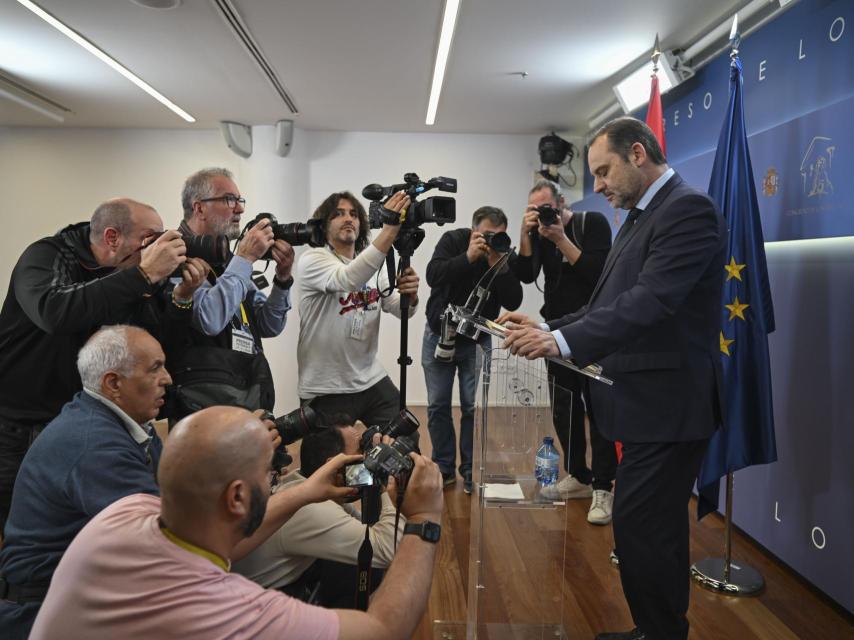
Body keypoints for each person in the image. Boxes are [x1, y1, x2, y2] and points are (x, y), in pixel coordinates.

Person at [501, 116, 727, 640]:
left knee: (642, 527)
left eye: (604, 172)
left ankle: (659, 631)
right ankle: (656, 629)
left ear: (638, 154)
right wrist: (547, 327)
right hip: (646, 405)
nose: (598, 185)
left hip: (670, 406)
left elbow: (650, 302)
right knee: (649, 529)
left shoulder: (687, 209)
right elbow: (607, 303)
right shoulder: (641, 215)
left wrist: (560, 343)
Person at [29, 405, 444, 640]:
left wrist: (303, 491)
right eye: (269, 471)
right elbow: (382, 630)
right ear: (238, 497)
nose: (278, 477)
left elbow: (234, 543)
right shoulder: (232, 610)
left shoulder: (123, 513)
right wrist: (424, 518)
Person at [0, 198, 193, 530]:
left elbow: (150, 343)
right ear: (112, 237)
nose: (157, 247)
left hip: (80, 422)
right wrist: (143, 275)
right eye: (149, 238)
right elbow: (54, 312)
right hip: (17, 425)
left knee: (81, 528)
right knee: (22, 527)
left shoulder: (131, 276)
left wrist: (181, 298)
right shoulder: (46, 256)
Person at [0, 326, 175, 638]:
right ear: (113, 383)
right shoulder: (95, 444)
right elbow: (167, 542)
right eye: (155, 368)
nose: (168, 379)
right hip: (43, 616)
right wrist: (275, 500)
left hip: (78, 603)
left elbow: (174, 498)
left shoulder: (125, 426)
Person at [514, 180, 616, 523]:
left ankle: (603, 486)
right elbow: (526, 275)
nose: (543, 214)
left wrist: (560, 238)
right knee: (563, 407)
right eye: (535, 209)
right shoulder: (539, 234)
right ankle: (579, 475)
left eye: (547, 208)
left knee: (598, 410)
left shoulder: (592, 224)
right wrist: (525, 234)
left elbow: (599, 275)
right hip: (555, 332)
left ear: (561, 202)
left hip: (593, 330)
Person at [167, 167, 295, 421]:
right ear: (199, 208)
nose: (240, 209)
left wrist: (283, 279)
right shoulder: (175, 255)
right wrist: (245, 258)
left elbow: (269, 324)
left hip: (245, 395)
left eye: (239, 200)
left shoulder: (227, 259)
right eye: (229, 200)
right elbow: (210, 319)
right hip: (203, 409)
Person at [233, 418, 403, 607]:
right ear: (335, 466)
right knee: (369, 569)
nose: (368, 459)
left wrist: (376, 484)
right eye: (361, 451)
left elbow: (365, 529)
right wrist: (387, 482)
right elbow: (390, 549)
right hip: (257, 601)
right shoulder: (312, 510)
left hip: (282, 575)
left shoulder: (302, 480)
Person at [422, 206, 523, 493]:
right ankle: (444, 467)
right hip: (440, 334)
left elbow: (514, 300)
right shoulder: (454, 240)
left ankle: (469, 469)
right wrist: (468, 257)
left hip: (477, 341)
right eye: (488, 234)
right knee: (438, 405)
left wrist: (499, 265)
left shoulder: (502, 255)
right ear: (473, 230)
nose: (493, 240)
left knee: (472, 407)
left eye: (499, 235)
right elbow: (433, 275)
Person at [297, 191, 419, 425]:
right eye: (338, 214)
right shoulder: (313, 259)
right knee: (331, 448)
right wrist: (390, 230)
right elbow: (348, 279)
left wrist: (410, 297)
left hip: (369, 377)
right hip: (326, 386)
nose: (348, 219)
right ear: (324, 225)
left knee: (405, 434)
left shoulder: (373, 264)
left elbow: (397, 307)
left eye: (354, 214)